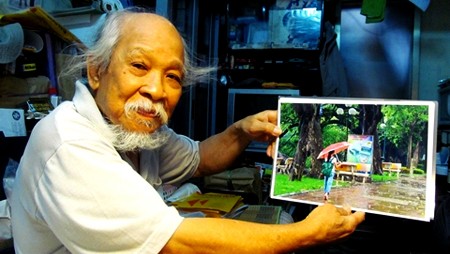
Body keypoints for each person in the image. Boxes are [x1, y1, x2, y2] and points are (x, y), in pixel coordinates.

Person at [9, 8, 365, 253]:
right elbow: (174, 241)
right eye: (138, 65)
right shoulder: (70, 142)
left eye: (173, 77)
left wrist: (242, 131)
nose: (157, 90)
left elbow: (199, 159)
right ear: (96, 71)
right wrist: (307, 233)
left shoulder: (136, 130)